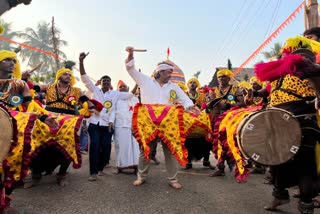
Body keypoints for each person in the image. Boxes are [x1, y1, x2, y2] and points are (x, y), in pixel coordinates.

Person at [253, 36, 320, 213]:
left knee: (305, 162)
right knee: (277, 160)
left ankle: (306, 204)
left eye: (304, 54)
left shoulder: (312, 71)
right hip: (277, 121)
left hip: (303, 120)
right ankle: (279, 196)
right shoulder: (278, 76)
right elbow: (262, 92)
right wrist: (253, 92)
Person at [125, 46, 199, 189]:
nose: (171, 74)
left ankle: (173, 179)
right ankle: (141, 177)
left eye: (171, 72)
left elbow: (184, 99)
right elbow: (130, 69)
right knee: (146, 150)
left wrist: (191, 106)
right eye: (168, 72)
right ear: (160, 72)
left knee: (170, 150)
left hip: (168, 122)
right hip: (148, 121)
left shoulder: (174, 87)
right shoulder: (145, 80)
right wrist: (130, 54)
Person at [0, 50, 58, 212]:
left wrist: (44, 118)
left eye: (14, 60)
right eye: (7, 60)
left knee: (8, 167)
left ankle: (6, 198)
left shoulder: (20, 84)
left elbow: (30, 107)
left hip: (11, 130)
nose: (12, 63)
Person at [79, 52, 133, 181]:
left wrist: (137, 82)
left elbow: (130, 95)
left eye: (108, 81)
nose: (106, 83)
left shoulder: (115, 94)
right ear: (101, 82)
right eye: (104, 81)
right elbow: (84, 77)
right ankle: (93, 172)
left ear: (110, 84)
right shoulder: (94, 90)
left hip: (108, 126)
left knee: (106, 148)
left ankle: (101, 167)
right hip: (94, 123)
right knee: (94, 146)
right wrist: (81, 61)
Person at [209, 69, 245, 177]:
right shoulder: (213, 91)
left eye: (223, 76)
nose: (221, 79)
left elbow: (242, 103)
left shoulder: (236, 89)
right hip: (217, 120)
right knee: (218, 143)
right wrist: (212, 102)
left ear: (229, 78)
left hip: (232, 120)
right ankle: (220, 167)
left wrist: (228, 106)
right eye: (219, 77)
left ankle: (238, 167)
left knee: (233, 142)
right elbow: (210, 105)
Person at [110, 80, 140, 174]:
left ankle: (136, 166)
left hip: (133, 126)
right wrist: (111, 121)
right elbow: (112, 111)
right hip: (120, 125)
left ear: (128, 88)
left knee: (134, 147)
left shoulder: (135, 99)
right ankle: (120, 166)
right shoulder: (115, 98)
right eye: (120, 87)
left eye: (124, 86)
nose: (123, 88)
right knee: (121, 146)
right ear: (117, 90)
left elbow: (138, 113)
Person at [185, 77, 214, 169]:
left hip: (201, 119)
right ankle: (188, 162)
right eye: (191, 82)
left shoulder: (202, 95)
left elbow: (206, 106)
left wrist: (209, 100)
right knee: (188, 141)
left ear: (197, 84)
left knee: (206, 139)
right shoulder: (184, 94)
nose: (192, 84)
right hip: (187, 119)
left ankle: (206, 161)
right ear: (188, 85)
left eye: (194, 82)